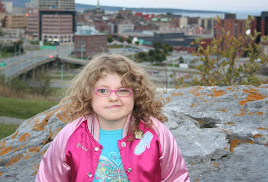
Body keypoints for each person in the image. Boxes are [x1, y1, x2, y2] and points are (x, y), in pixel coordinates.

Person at [35, 54, 190, 182]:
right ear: (88, 94)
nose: (113, 97)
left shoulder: (156, 132)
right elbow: (48, 177)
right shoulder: (71, 135)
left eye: (123, 90)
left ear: (136, 93)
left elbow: (177, 177)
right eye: (103, 90)